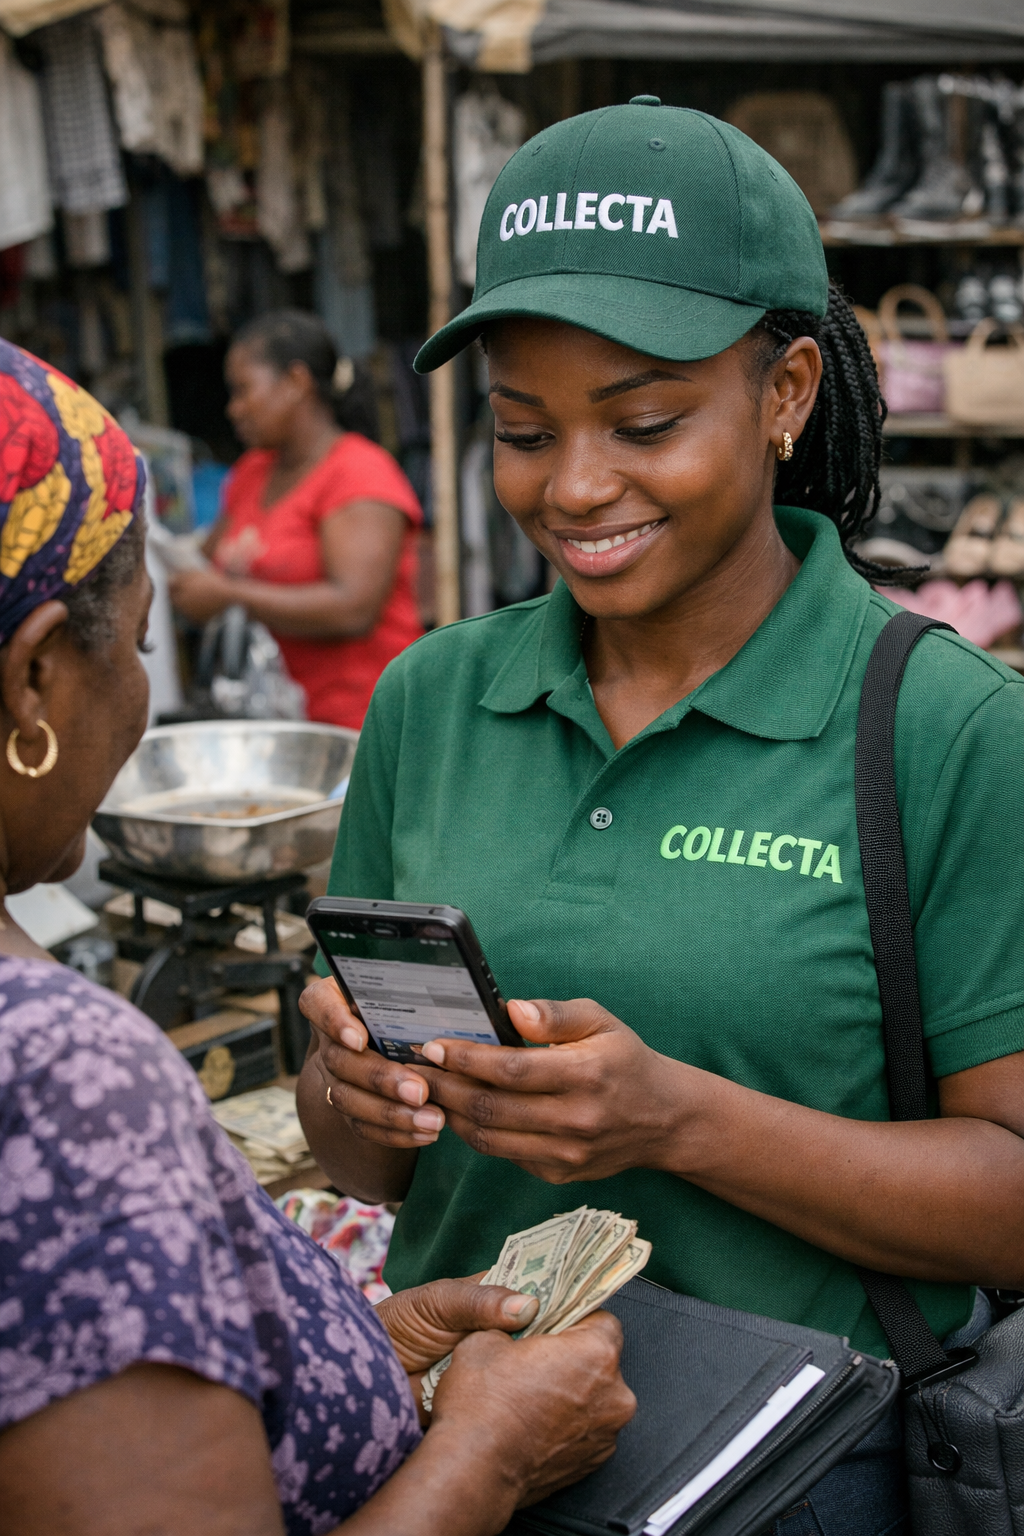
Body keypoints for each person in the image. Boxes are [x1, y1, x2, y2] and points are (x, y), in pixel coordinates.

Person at [297, 100, 1024, 1536]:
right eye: (522, 429)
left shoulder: (948, 728)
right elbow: (369, 1164)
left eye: (644, 422)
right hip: (457, 1460)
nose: (574, 488)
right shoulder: (432, 699)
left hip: (811, 1483)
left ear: (787, 391)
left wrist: (674, 1121)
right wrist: (352, 1087)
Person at [0, 337, 635, 1535]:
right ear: (36, 678)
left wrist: (347, 1348)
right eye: (138, 647)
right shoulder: (56, 1073)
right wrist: (490, 1450)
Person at [169, 311, 423, 730]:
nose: (233, 409)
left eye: (243, 390)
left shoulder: (359, 474)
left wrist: (231, 596)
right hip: (280, 719)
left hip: (364, 723)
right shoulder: (252, 472)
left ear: (296, 383)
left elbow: (353, 608)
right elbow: (211, 562)